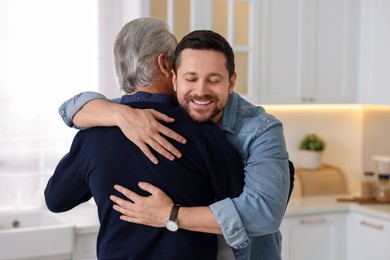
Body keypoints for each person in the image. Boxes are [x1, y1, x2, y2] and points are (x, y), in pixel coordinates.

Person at [60, 30, 293, 259]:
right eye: (191, 78)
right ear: (174, 78)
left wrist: (170, 214)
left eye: (214, 80)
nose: (200, 91)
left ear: (231, 82)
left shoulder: (261, 129)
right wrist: (118, 114)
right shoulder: (154, 112)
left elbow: (264, 213)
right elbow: (70, 109)